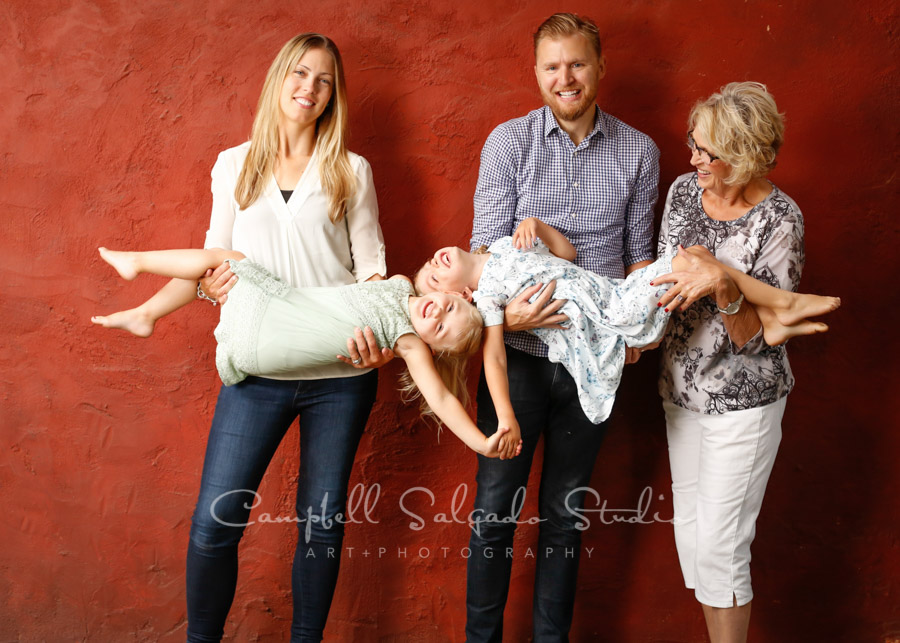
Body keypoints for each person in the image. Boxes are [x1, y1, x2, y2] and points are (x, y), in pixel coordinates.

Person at [96, 33, 389, 643]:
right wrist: (203, 291)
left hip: (341, 372)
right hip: (254, 367)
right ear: (279, 79)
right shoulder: (235, 163)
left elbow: (373, 274)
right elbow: (213, 264)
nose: (309, 88)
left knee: (323, 525)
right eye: (300, 74)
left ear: (334, 95)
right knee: (213, 524)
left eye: (324, 80)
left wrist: (380, 341)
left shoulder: (351, 170)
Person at [465, 12, 660, 641]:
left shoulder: (639, 150)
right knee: (495, 512)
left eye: (577, 63)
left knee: (565, 515)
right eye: (552, 66)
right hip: (515, 355)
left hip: (593, 364)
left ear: (600, 67)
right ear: (536, 72)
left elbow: (639, 256)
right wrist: (510, 316)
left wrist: (636, 332)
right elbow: (482, 255)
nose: (566, 77)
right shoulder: (507, 143)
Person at [415, 219, 838, 451]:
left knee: (699, 260)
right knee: (693, 260)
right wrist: (505, 417)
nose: (435, 262)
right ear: (460, 295)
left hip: (615, 291)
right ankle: (783, 304)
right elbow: (494, 359)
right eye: (436, 276)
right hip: (614, 313)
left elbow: (567, 254)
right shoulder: (489, 298)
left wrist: (537, 227)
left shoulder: (504, 245)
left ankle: (775, 313)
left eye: (431, 264)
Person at [92, 247, 521, 460]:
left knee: (230, 257)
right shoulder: (399, 285)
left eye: (441, 328)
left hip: (265, 333)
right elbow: (444, 278)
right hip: (260, 340)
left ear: (431, 347)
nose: (439, 312)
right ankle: (144, 314)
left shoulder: (406, 342)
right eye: (451, 306)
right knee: (224, 264)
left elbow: (442, 399)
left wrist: (482, 444)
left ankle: (139, 264)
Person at [655, 81, 808, 643]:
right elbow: (662, 281)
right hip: (680, 395)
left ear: (743, 156)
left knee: (721, 549)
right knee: (693, 541)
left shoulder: (780, 221)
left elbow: (763, 341)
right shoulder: (682, 191)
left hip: (743, 402)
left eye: (707, 151)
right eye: (692, 144)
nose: (692, 158)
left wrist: (723, 286)